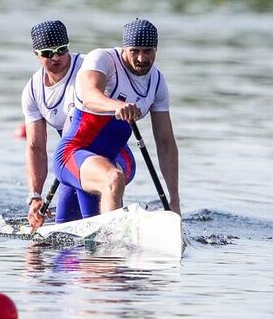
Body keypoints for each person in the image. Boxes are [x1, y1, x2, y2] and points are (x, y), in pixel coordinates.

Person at [54, 19, 181, 216]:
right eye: (135, 51)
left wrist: (174, 200)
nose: (141, 58)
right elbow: (90, 97)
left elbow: (165, 142)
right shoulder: (103, 59)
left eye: (148, 51)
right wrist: (117, 106)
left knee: (114, 178)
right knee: (112, 179)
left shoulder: (157, 82)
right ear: (124, 48)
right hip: (73, 152)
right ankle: (112, 240)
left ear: (156, 49)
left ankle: (111, 227)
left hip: (117, 156)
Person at [21, 20, 136, 230]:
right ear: (36, 55)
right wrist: (35, 195)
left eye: (61, 50)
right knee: (65, 232)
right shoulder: (33, 91)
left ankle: (110, 237)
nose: (56, 57)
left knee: (95, 191)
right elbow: (36, 147)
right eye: (48, 53)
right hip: (74, 158)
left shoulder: (90, 67)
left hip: (116, 154)